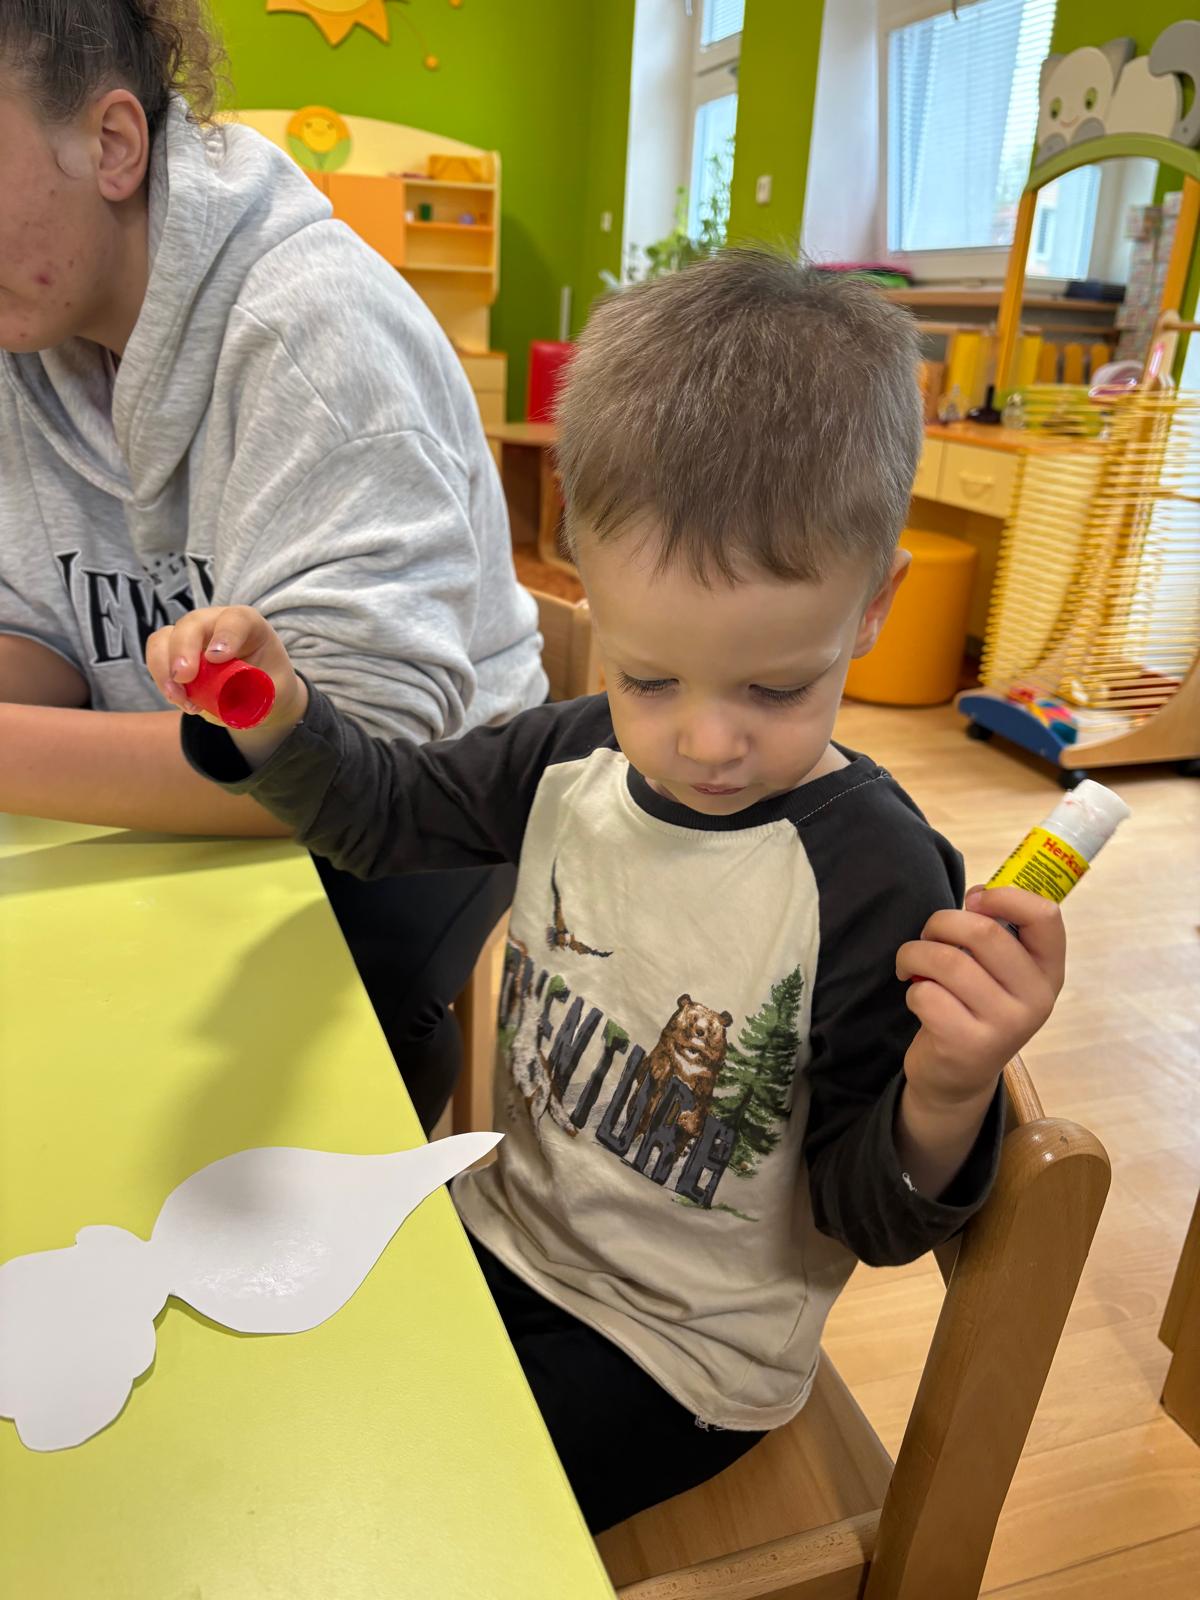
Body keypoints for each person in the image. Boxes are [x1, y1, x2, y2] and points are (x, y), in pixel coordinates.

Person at [145, 252, 1066, 1533]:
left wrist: (949, 1090)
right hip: (504, 1230)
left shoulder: (872, 876)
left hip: (681, 1357)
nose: (706, 743)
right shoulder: (572, 756)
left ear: (874, 606)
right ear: (581, 566)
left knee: (403, 1514)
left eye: (776, 687)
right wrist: (275, 712)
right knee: (266, 1396)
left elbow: (869, 1215)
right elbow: (379, 815)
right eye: (649, 678)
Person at [0, 1, 546, 1129]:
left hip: (425, 790)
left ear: (112, 145)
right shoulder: (29, 332)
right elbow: (42, 630)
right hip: (192, 771)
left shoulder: (317, 333)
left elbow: (348, 761)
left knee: (304, 1054)